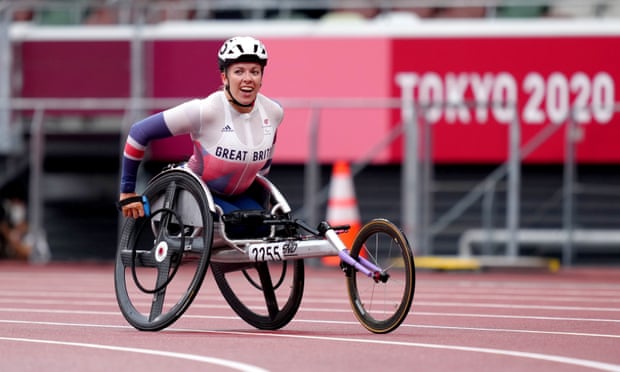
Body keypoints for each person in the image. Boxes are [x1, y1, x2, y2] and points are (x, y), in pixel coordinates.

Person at [118, 36, 283, 234]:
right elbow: (139, 132)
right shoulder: (204, 111)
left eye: (255, 72)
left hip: (239, 197)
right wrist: (127, 190)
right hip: (199, 194)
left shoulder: (273, 112)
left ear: (261, 78)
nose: (248, 78)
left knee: (269, 230)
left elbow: (264, 168)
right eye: (239, 71)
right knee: (240, 228)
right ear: (224, 77)